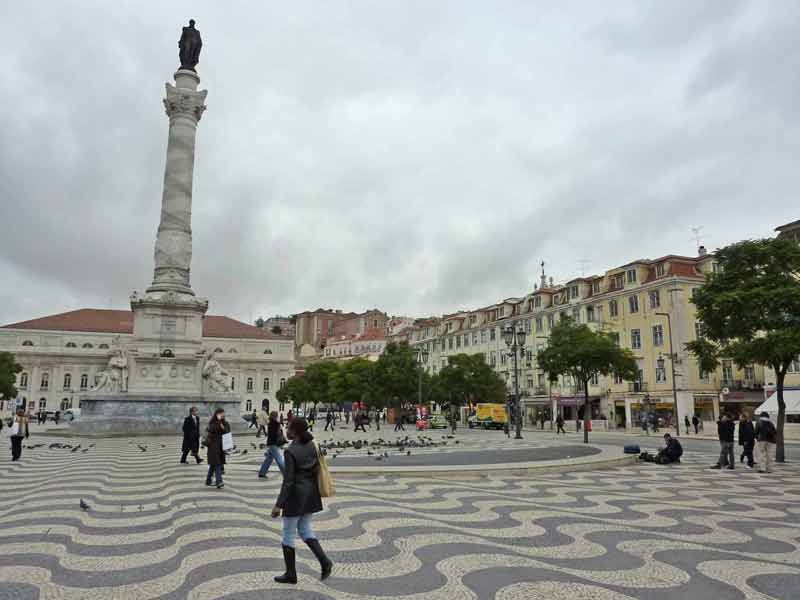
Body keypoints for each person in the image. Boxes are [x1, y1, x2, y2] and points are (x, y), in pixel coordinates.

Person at [272, 417, 333, 584]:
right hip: (311, 493)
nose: (287, 430)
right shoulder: (312, 444)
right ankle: (325, 562)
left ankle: (291, 574)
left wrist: (279, 504)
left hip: (296, 496)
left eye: (289, 428)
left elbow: (289, 481)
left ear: (295, 431)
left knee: (288, 533)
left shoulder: (291, 451)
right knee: (305, 529)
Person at [205, 408, 230, 488]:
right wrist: (218, 422)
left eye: (223, 413)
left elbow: (227, 432)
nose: (223, 415)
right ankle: (219, 482)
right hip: (213, 446)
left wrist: (222, 427)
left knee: (213, 464)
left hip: (221, 447)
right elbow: (212, 429)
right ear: (217, 414)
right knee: (217, 464)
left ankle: (208, 480)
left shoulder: (225, 423)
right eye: (221, 413)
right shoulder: (212, 423)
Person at [259, 411, 286, 478]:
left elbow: (271, 434)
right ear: (276, 416)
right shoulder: (276, 424)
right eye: (277, 415)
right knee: (279, 459)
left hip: (270, 443)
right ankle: (286, 474)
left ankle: (262, 472)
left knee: (269, 459)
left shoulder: (270, 423)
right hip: (274, 443)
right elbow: (276, 434)